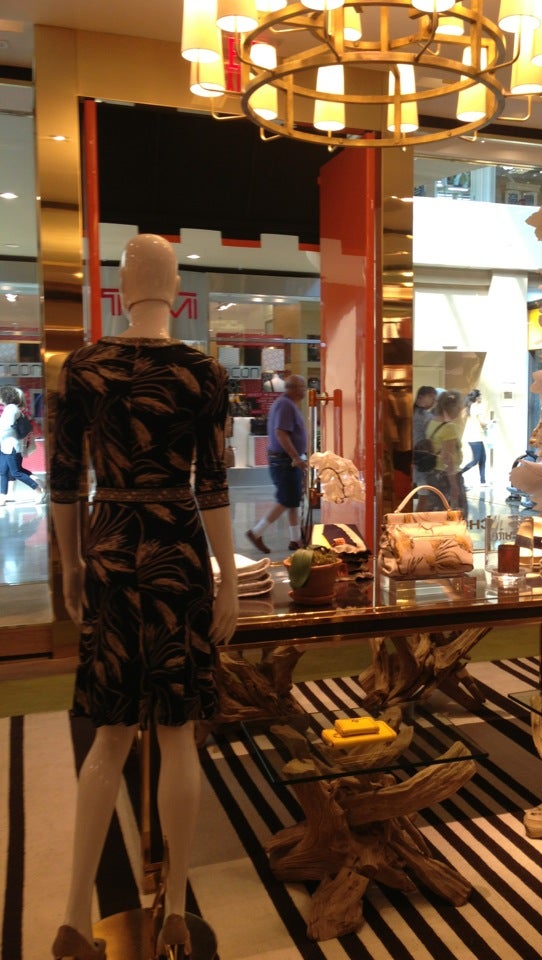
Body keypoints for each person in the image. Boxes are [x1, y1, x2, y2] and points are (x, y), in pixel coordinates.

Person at [49, 234, 238, 960]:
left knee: (109, 733)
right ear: (176, 287)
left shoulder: (83, 367)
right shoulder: (202, 372)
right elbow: (212, 484)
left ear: (122, 289)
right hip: (176, 548)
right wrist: (228, 578)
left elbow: (65, 481)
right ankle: (176, 911)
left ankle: (73, 919)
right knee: (177, 730)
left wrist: (72, 565)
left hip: (108, 543)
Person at [246, 373, 308, 553]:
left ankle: (295, 540)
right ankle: (256, 532)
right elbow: (281, 433)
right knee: (286, 499)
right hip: (284, 461)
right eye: (303, 387)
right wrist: (296, 457)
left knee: (292, 500)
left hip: (286, 460)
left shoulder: (289, 404)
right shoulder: (285, 405)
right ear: (295, 389)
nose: (305, 391)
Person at [0, 385, 45, 506]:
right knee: (3, 471)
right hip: (6, 446)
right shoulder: (9, 408)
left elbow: (6, 427)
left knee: (16, 472)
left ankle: (38, 491)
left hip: (12, 446)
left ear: (5, 396)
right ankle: (2, 497)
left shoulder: (11, 408)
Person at [425, 388, 467, 516]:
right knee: (456, 515)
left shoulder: (432, 423)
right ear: (454, 408)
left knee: (437, 513)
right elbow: (448, 458)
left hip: (433, 474)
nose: (461, 410)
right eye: (460, 407)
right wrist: (454, 485)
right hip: (446, 477)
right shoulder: (450, 428)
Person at [411, 385, 438, 511]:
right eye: (431, 397)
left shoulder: (423, 415)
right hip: (421, 459)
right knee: (424, 495)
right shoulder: (424, 416)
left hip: (417, 458)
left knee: (423, 494)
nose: (434, 401)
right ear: (421, 397)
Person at [459, 389, 489, 487]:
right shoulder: (476, 407)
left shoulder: (470, 407)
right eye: (480, 396)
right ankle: (459, 473)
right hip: (475, 437)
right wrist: (490, 422)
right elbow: (482, 422)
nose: (481, 398)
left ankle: (483, 481)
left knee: (483, 458)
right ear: (477, 398)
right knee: (476, 460)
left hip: (475, 437)